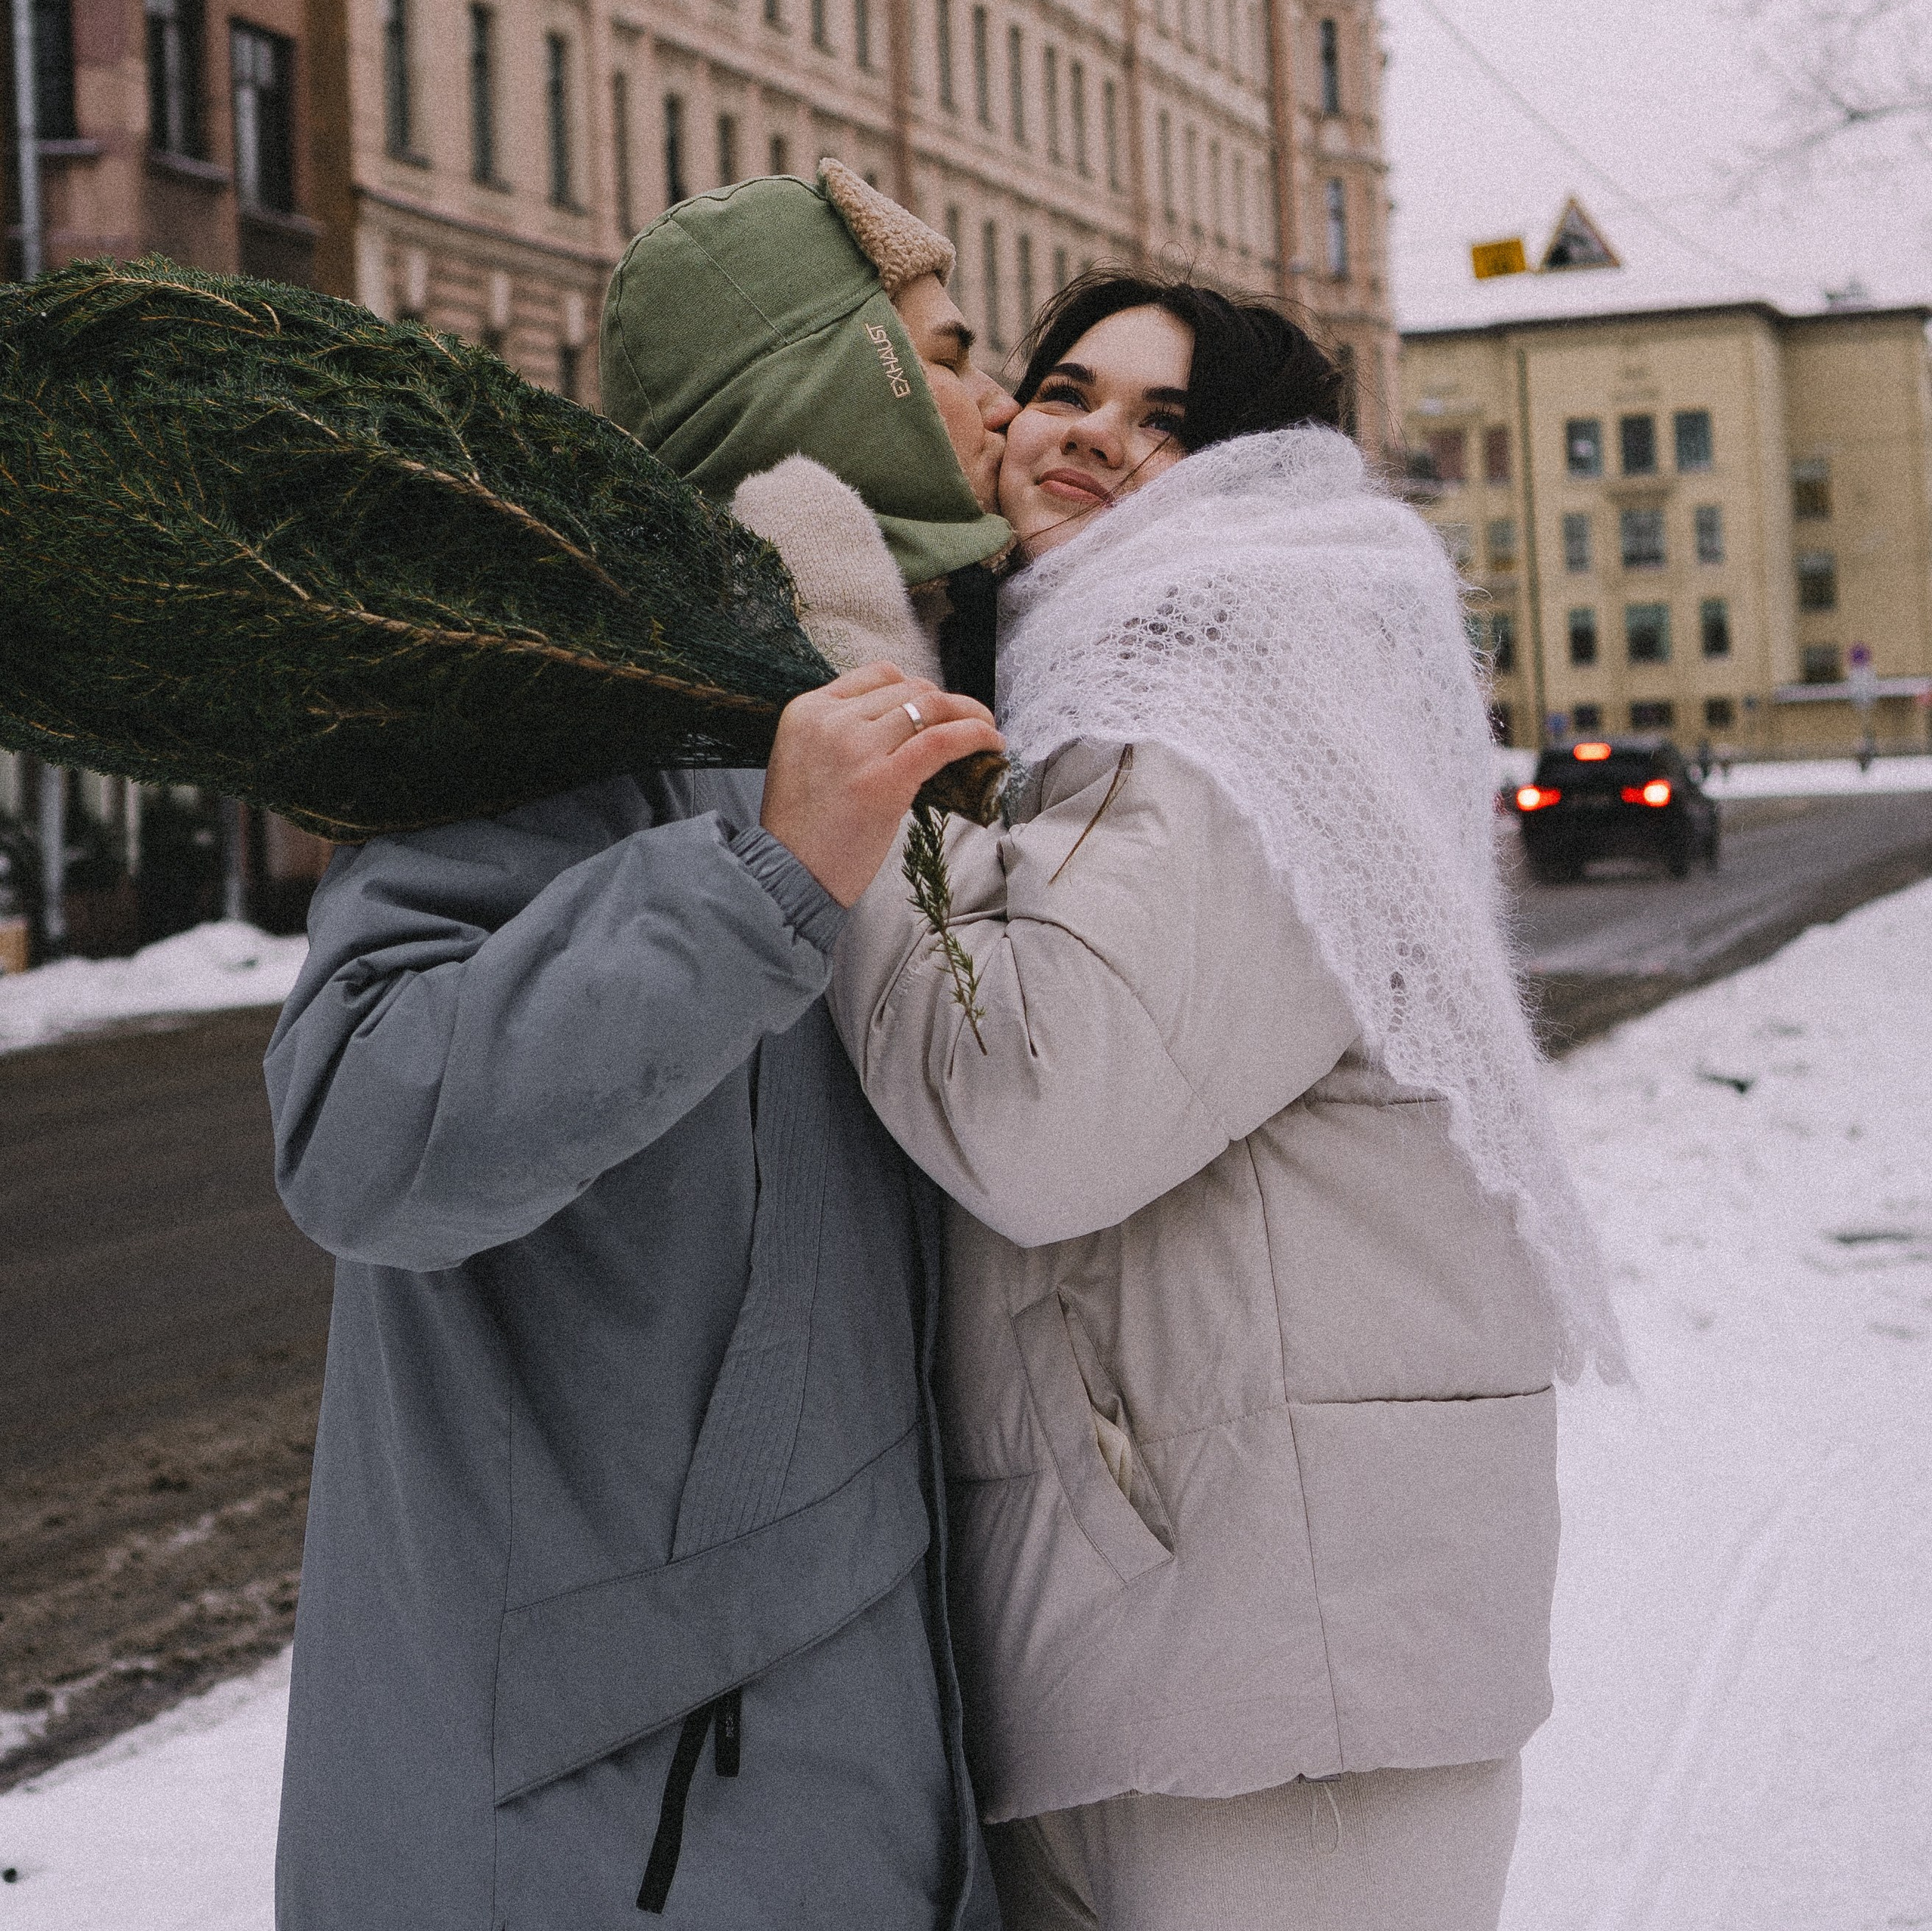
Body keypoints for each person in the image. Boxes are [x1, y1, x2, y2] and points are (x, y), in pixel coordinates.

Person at [825, 273, 1625, 1931]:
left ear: (1255, 476)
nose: (1097, 438)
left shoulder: (1246, 683)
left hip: (1281, 1673)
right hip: (1185, 1629)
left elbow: (1038, 1111)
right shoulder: (1084, 693)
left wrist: (852, 742)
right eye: (1069, 390)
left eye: (1170, 424)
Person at [266, 165, 1013, 1931]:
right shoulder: (572, 697)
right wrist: (758, 879)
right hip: (613, 1802)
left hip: (817, 1748)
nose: (996, 403)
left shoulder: (895, 705)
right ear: (838, 388)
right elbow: (362, 1132)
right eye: (951, 355)